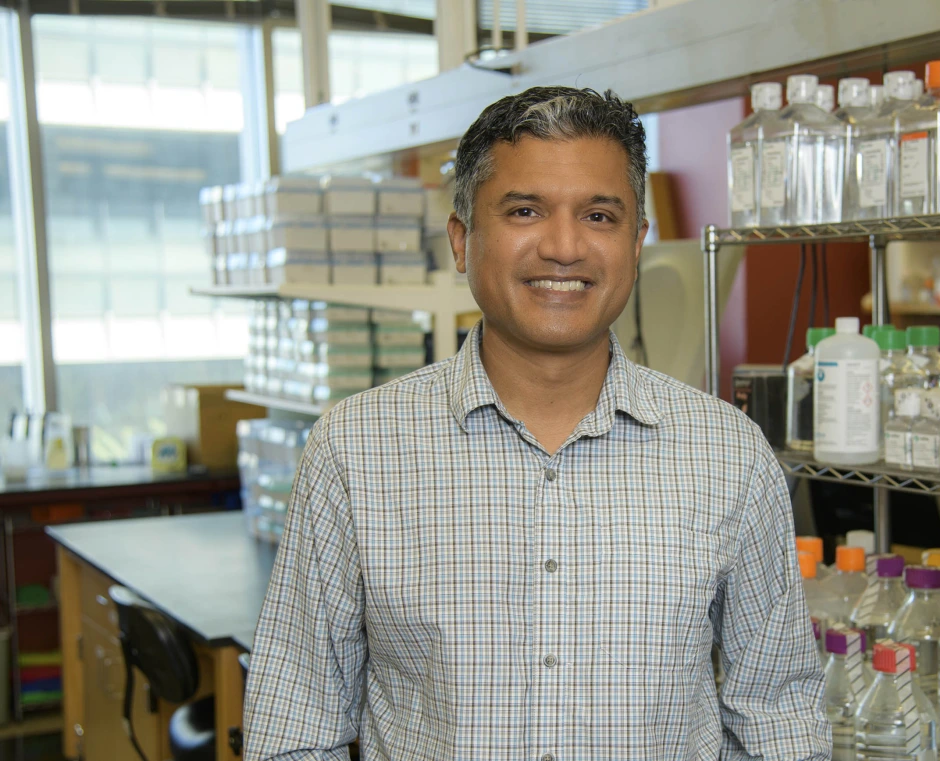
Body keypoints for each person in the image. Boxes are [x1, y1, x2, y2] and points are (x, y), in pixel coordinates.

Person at [243, 86, 829, 760]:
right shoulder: (354, 449)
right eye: (525, 210)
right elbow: (295, 725)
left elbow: (779, 715)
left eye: (599, 215)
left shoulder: (727, 453)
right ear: (463, 240)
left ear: (637, 243)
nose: (564, 246)